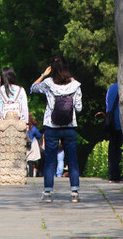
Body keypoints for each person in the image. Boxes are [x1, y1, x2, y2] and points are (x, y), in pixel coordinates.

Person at [30, 55, 83, 203]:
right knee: (72, 160)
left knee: (50, 161)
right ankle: (74, 193)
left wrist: (43, 74)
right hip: (69, 126)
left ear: (52, 69)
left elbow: (33, 88)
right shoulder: (75, 85)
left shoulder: (48, 83)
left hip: (51, 126)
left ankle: (47, 193)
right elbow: (79, 108)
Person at [0, 67, 29, 184]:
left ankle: (4, 174)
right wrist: (26, 122)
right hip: (18, 121)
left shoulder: (0, 90)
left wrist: (0, 83)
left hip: (3, 121)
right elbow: (24, 107)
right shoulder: (20, 90)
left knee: (2, 149)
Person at [104, 80, 123, 182]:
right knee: (122, 149)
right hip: (122, 122)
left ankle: (113, 174)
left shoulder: (111, 88)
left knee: (113, 149)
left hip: (112, 122)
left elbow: (108, 105)